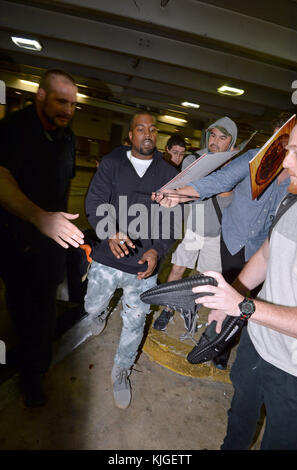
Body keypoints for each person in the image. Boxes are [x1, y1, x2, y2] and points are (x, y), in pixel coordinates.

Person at [191, 121, 297, 450]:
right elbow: (268, 252)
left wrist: (244, 307)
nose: (285, 162)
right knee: (240, 416)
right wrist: (233, 294)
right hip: (259, 343)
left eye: (296, 153)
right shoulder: (293, 198)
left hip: (293, 369)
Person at [154, 115, 290, 368]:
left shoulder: (296, 170)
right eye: (276, 139)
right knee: (223, 293)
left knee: (246, 302)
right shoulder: (254, 157)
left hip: (262, 245)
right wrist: (179, 194)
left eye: (289, 143)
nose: (281, 148)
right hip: (233, 238)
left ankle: (224, 345)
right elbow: (219, 180)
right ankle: (209, 338)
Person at [0, 69, 84, 407]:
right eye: (61, 101)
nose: (67, 110)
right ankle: (28, 377)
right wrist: (39, 217)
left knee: (45, 308)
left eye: (73, 105)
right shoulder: (12, 129)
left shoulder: (68, 137)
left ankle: (37, 367)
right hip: (14, 238)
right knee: (22, 308)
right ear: (40, 95)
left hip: (51, 242)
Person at [84, 111, 178, 409]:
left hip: (143, 267)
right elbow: (94, 202)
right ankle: (99, 313)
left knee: (135, 321)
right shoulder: (112, 163)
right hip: (108, 257)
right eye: (141, 129)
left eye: (153, 129)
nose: (147, 133)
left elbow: (171, 221)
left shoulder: (168, 175)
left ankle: (122, 369)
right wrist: (110, 230)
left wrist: (157, 250)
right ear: (130, 135)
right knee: (91, 306)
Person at [153, 117, 237, 334]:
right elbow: (193, 192)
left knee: (205, 278)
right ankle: (168, 308)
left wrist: (228, 170)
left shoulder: (235, 166)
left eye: (222, 138)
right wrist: (221, 176)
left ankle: (190, 308)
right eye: (213, 136)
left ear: (231, 141)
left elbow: (229, 199)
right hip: (194, 228)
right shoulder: (194, 160)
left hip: (216, 233)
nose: (215, 142)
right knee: (178, 269)